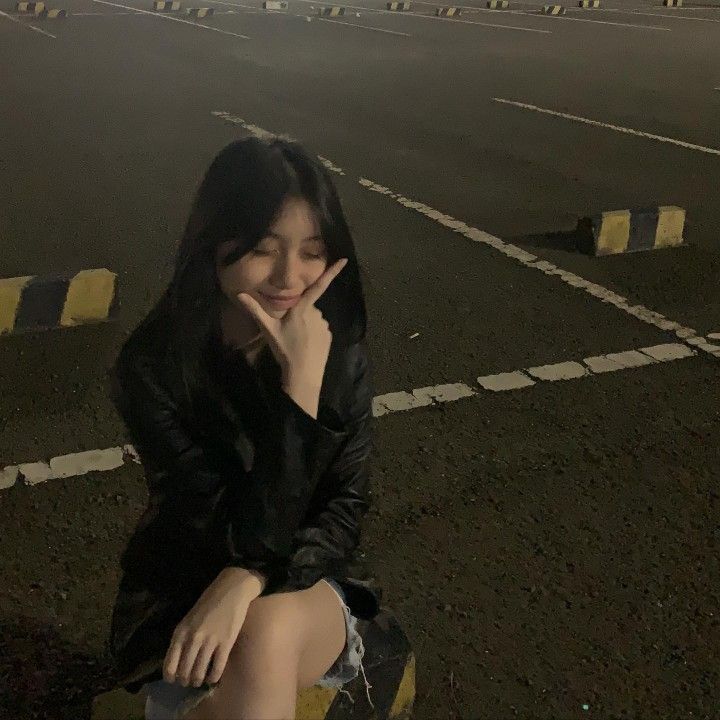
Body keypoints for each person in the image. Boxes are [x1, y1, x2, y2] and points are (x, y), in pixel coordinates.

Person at [106, 137, 383, 719]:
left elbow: (340, 516)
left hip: (303, 588)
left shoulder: (337, 355)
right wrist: (241, 573)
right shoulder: (155, 368)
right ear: (215, 246)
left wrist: (305, 385)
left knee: (266, 627)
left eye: (312, 252)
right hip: (186, 589)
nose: (290, 277)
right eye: (262, 248)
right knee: (256, 639)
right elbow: (204, 515)